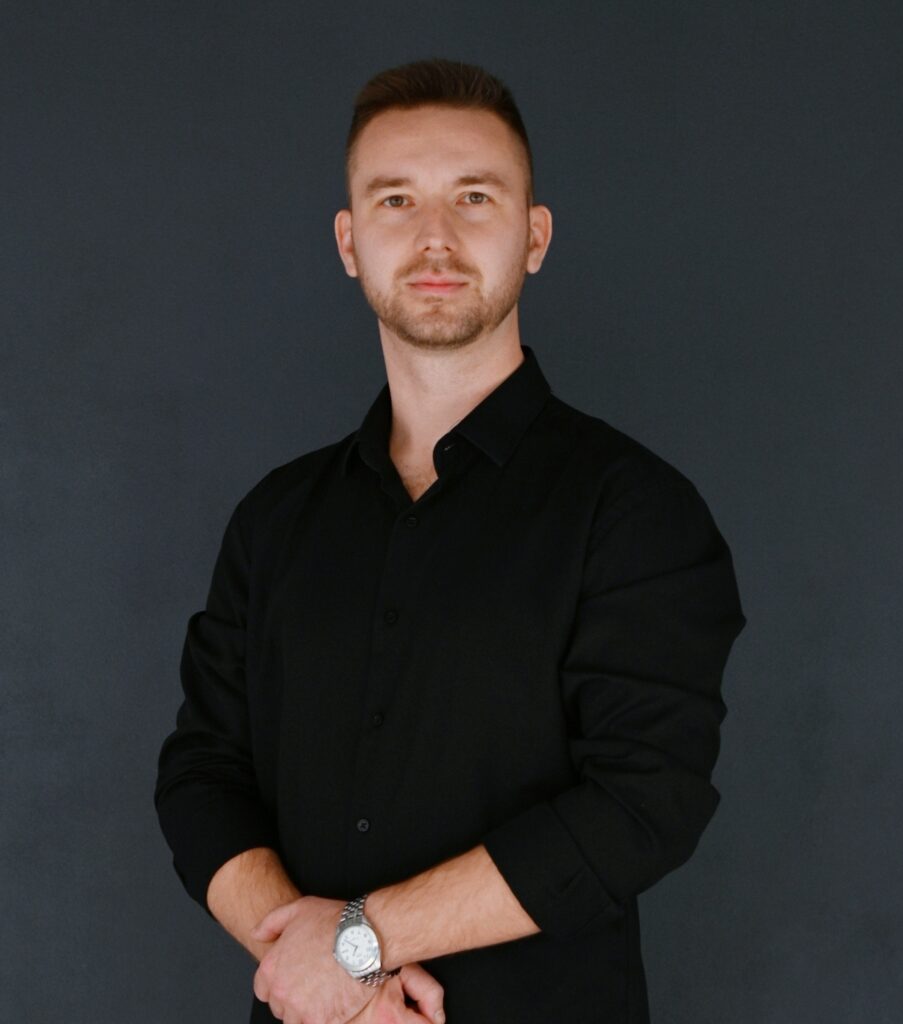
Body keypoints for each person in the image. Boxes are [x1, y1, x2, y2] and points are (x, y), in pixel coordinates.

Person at [154, 57, 747, 1024]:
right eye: (396, 200)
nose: (436, 236)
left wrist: (360, 946)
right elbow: (201, 776)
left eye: (475, 196)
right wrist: (331, 989)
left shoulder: (636, 510)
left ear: (534, 235)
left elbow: (644, 801)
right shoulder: (276, 519)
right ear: (350, 241)